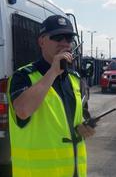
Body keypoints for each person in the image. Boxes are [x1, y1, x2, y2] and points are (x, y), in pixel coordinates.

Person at [7, 15, 95, 177]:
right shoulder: (23, 76)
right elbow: (23, 110)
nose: (65, 43)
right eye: (57, 37)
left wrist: (85, 127)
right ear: (42, 41)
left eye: (69, 38)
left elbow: (74, 119)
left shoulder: (74, 79)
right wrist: (53, 71)